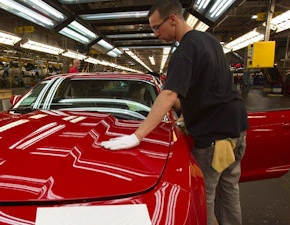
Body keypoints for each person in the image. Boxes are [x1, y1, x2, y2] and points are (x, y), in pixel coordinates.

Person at [101, 1, 249, 225]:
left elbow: (169, 94)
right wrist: (185, 112)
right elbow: (206, 88)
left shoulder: (186, 49)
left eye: (156, 27)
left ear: (173, 19)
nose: (155, 34)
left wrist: (137, 135)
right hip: (236, 130)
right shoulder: (210, 41)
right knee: (229, 190)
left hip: (214, 138)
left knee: (204, 197)